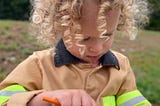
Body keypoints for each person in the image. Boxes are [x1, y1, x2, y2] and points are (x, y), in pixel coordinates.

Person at [0, 0, 152, 106]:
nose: (97, 48)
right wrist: (43, 100)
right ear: (60, 26)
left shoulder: (121, 66)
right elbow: (4, 100)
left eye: (106, 36)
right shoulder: (39, 64)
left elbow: (134, 101)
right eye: (85, 38)